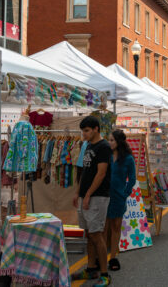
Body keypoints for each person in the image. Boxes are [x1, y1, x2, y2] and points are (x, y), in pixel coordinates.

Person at [72, 116, 112, 286]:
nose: (84, 134)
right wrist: (78, 192)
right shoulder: (88, 145)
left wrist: (87, 194)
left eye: (87, 130)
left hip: (98, 196)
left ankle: (105, 274)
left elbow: (101, 173)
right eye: (83, 131)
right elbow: (86, 172)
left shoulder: (104, 147)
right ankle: (91, 269)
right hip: (86, 195)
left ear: (96, 129)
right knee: (89, 233)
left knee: (97, 234)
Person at [104, 130, 136, 272]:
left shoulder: (128, 158)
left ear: (119, 142)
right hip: (104, 195)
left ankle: (113, 257)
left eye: (112, 140)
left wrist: (125, 193)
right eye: (109, 140)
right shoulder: (106, 155)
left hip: (118, 197)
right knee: (104, 228)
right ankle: (102, 257)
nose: (109, 143)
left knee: (116, 227)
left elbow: (132, 178)